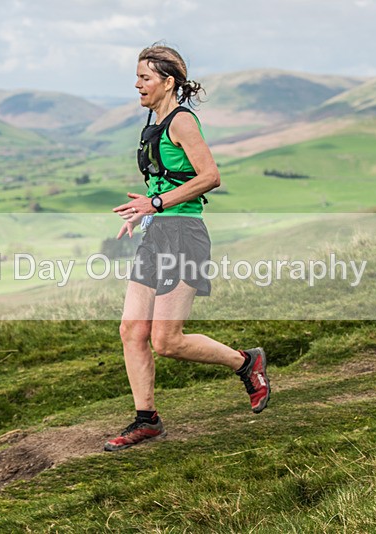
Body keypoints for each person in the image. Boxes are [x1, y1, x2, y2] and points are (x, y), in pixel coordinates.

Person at [104, 44, 270, 452]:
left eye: (145, 77)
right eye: (137, 76)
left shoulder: (182, 123)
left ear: (168, 82)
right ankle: (148, 420)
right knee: (132, 330)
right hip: (157, 233)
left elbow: (210, 176)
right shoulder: (154, 121)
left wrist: (156, 203)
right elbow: (165, 180)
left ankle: (246, 363)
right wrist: (145, 210)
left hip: (184, 236)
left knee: (167, 340)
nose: (137, 84)